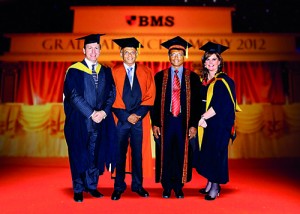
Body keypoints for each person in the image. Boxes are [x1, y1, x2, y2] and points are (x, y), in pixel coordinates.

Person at [63, 34, 117, 202]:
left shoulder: (106, 71)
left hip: (100, 121)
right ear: (83, 50)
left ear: (100, 50)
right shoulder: (74, 71)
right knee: (79, 152)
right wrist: (91, 113)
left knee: (95, 153)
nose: (93, 51)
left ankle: (92, 186)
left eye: (96, 48)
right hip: (80, 121)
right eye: (90, 48)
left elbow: (111, 94)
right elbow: (73, 95)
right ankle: (78, 188)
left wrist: (103, 113)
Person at [150, 36, 201, 199]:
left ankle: (179, 186)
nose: (176, 57)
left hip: (184, 122)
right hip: (166, 121)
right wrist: (155, 123)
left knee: (181, 153)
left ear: (184, 56)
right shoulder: (159, 77)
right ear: (169, 57)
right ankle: (166, 186)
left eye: (179, 54)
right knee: (166, 154)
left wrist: (193, 124)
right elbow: (154, 102)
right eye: (173, 54)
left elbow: (197, 103)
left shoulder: (192, 77)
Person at [110, 37, 156, 200]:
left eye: (132, 52)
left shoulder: (146, 71)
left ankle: (138, 185)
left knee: (138, 154)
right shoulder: (113, 72)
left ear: (137, 53)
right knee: (119, 154)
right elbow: (111, 96)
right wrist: (125, 116)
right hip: (121, 120)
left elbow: (151, 95)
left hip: (139, 121)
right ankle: (118, 187)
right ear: (121, 53)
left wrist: (138, 115)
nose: (130, 55)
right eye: (126, 52)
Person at [196, 41, 241, 200]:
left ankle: (215, 187)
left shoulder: (224, 81)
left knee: (216, 154)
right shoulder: (204, 80)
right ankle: (210, 182)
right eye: (207, 60)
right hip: (207, 124)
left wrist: (203, 118)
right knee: (207, 153)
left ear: (220, 62)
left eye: (214, 59)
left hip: (218, 125)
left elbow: (220, 105)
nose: (210, 63)